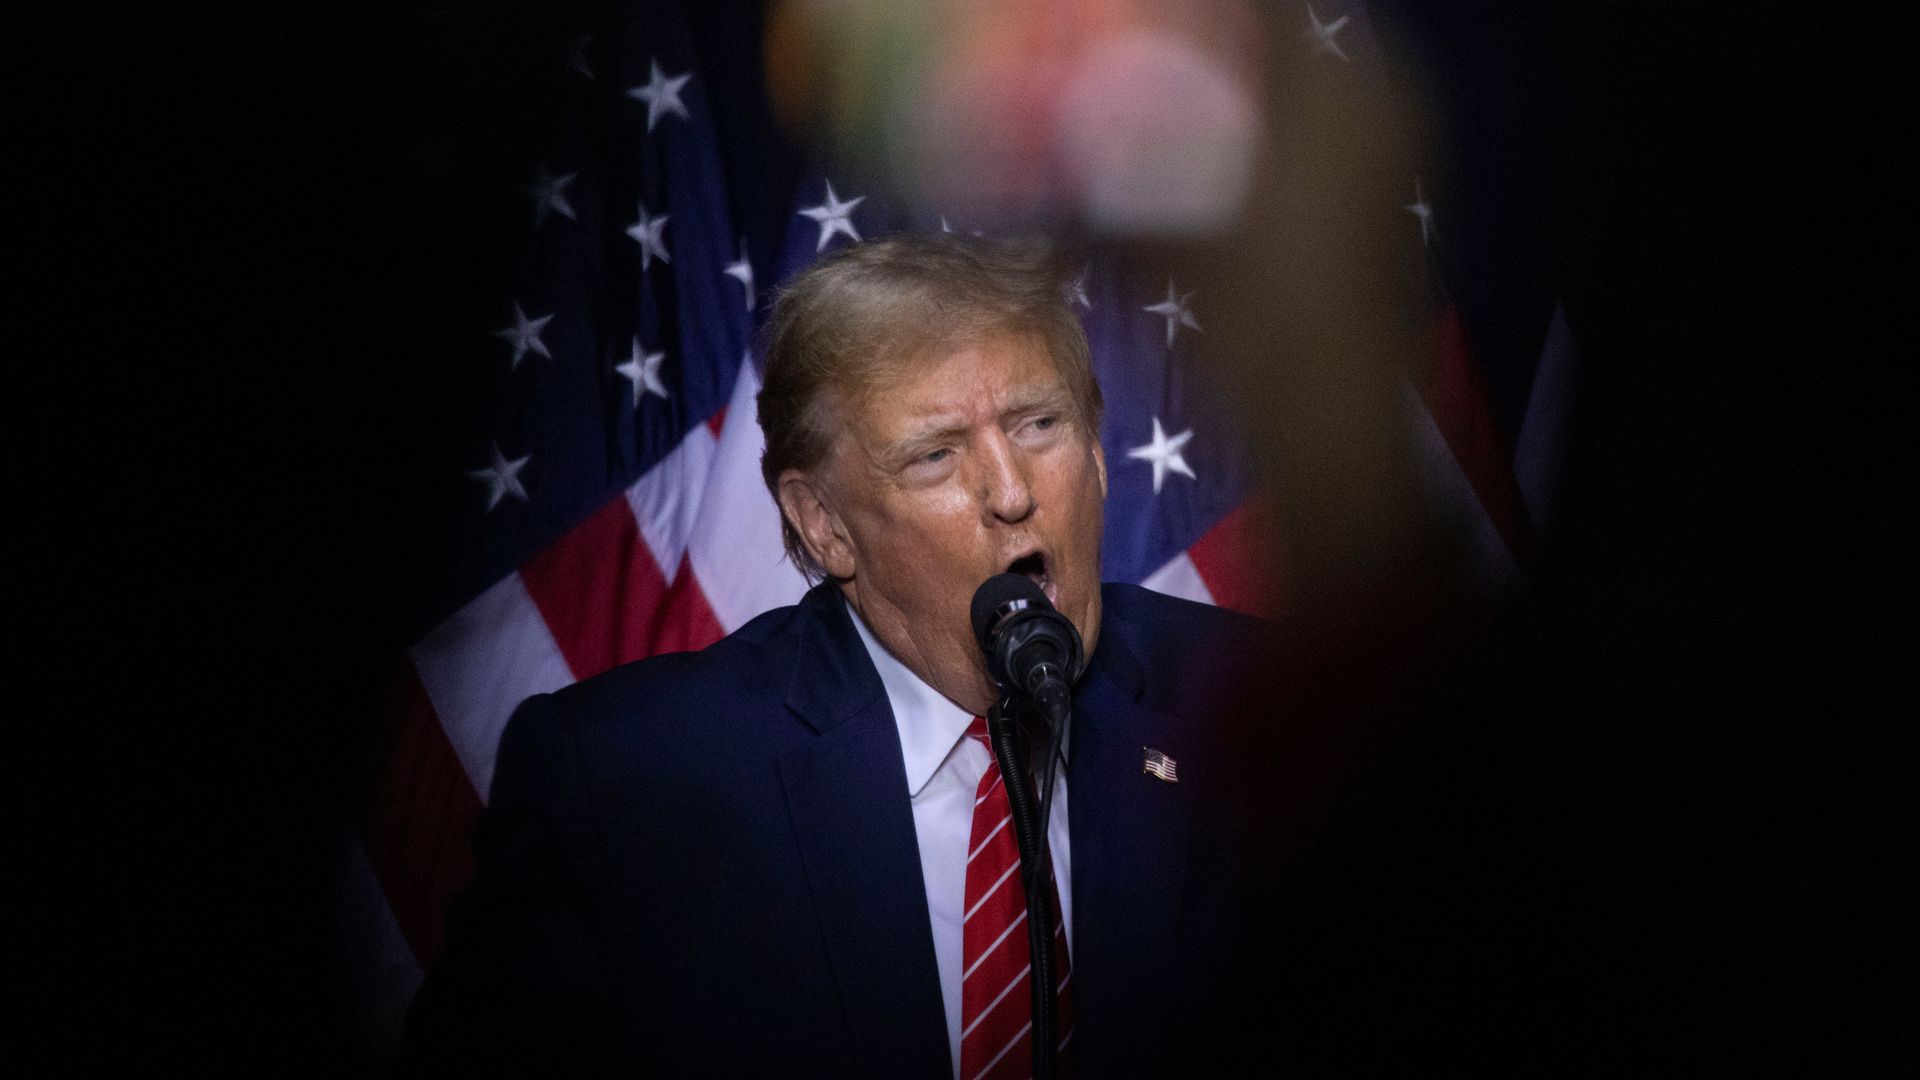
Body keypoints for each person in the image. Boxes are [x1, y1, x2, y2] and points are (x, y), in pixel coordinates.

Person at [400, 234, 1272, 1078]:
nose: (1012, 494)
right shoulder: (627, 786)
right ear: (824, 523)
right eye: (935, 456)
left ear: (1095, 450)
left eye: (1039, 424)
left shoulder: (1252, 709)